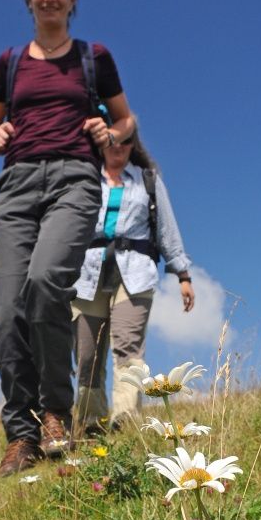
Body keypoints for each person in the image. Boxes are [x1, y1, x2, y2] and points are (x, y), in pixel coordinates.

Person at [0, 0, 135, 476]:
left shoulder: (94, 57)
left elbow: (126, 117)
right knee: (7, 312)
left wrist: (109, 134)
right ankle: (20, 435)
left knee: (46, 284)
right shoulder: (11, 62)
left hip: (73, 178)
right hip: (18, 185)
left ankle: (54, 413)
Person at [72, 127, 194, 434]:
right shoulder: (82, 178)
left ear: (133, 143)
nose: (119, 146)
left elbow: (167, 228)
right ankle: (91, 423)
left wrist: (183, 273)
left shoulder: (147, 180)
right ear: (101, 142)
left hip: (135, 273)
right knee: (88, 354)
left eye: (126, 140)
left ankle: (125, 421)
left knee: (128, 347)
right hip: (86, 274)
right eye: (112, 140)